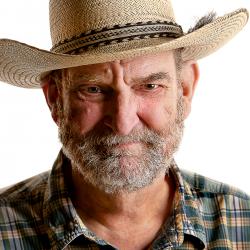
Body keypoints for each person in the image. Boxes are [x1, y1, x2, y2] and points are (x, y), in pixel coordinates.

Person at [0, 0, 249, 249]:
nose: (123, 123)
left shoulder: (243, 222)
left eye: (150, 86)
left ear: (185, 90)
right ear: (55, 98)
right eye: (94, 89)